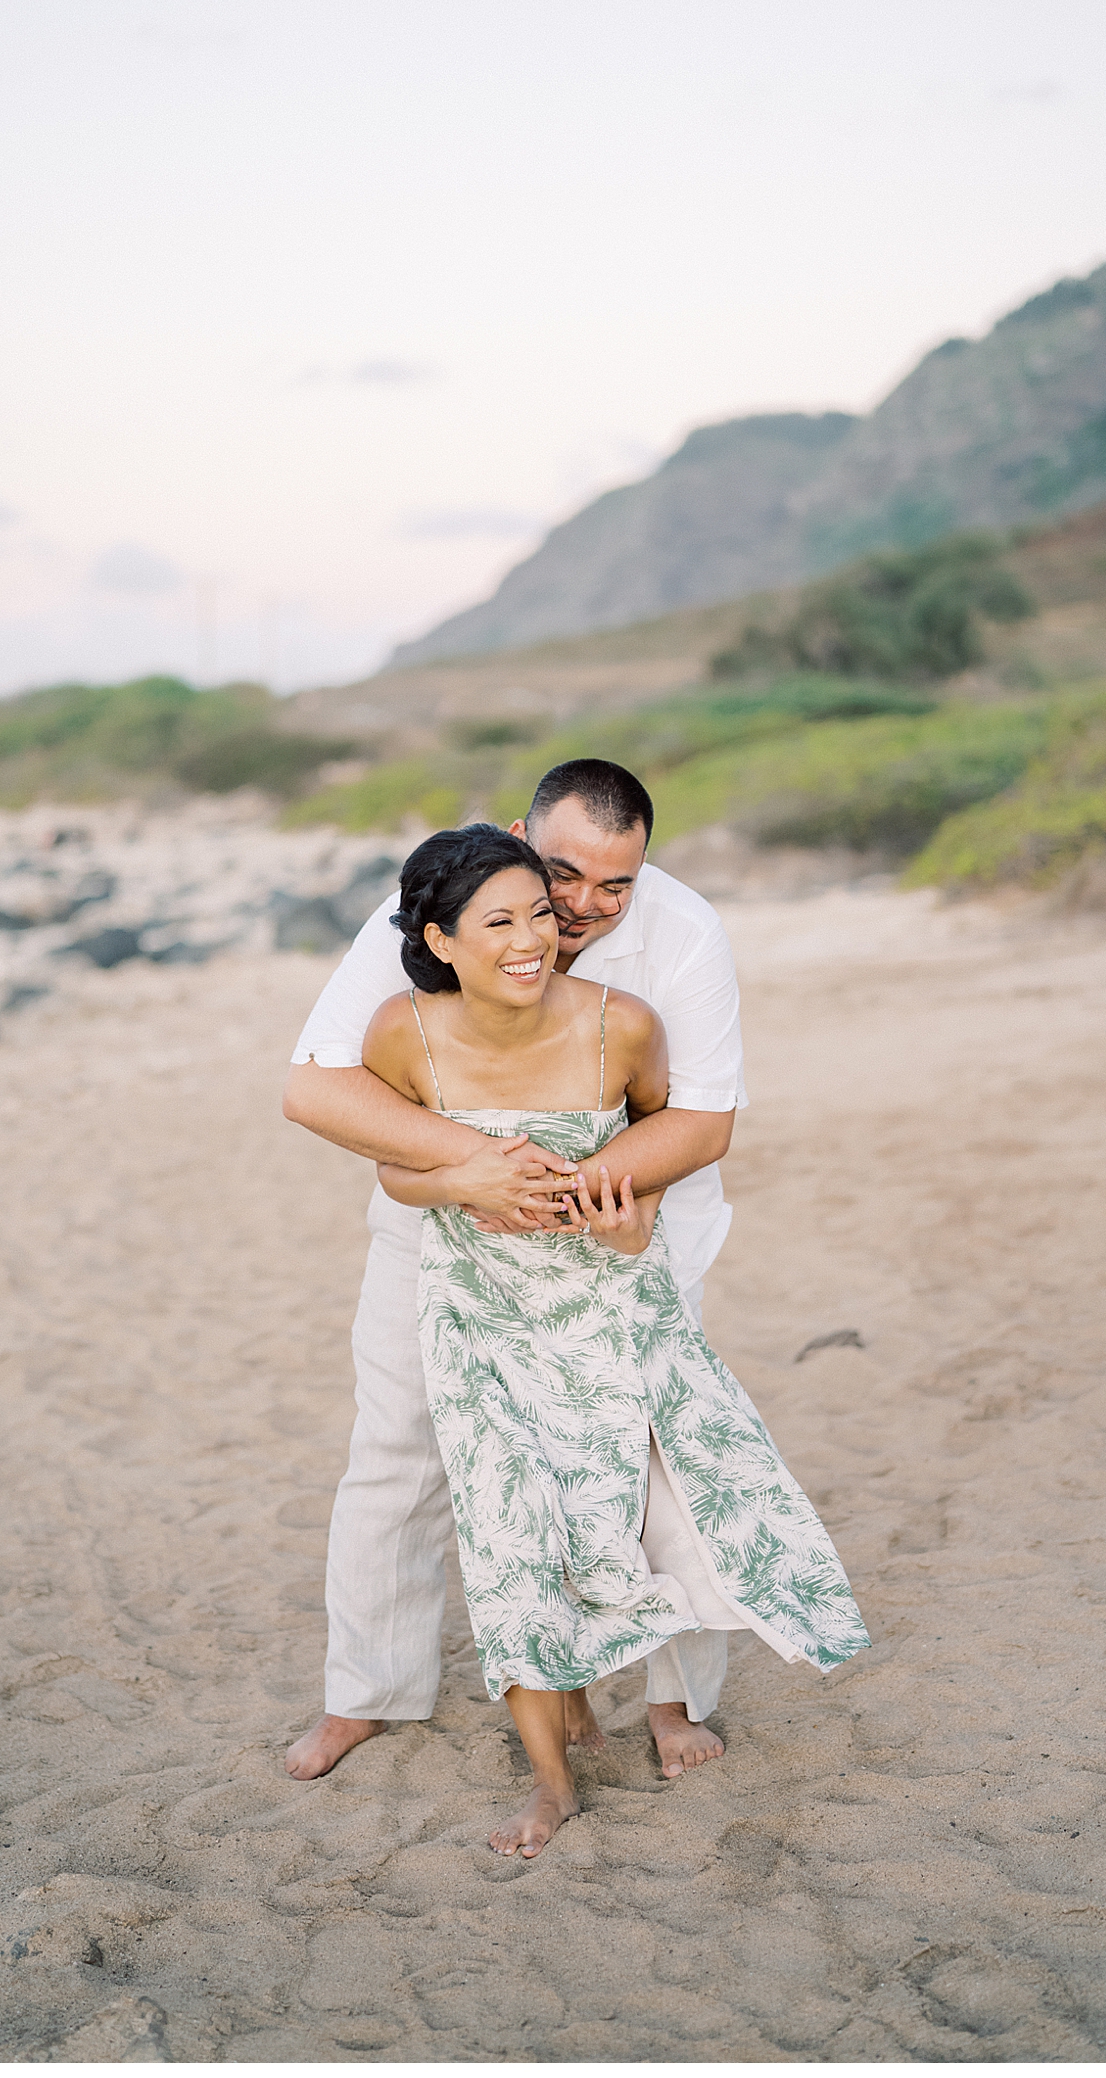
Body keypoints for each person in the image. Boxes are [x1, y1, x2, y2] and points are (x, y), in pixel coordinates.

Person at [360, 823, 869, 1856]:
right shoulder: (398, 1035)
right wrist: (455, 1177)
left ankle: (654, 1705)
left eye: (540, 916)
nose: (534, 938)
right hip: (478, 1321)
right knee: (509, 1541)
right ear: (438, 938)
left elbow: (659, 1146)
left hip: (608, 1310)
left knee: (636, 1516)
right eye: (500, 921)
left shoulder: (621, 1026)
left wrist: (629, 1211)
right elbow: (392, 1169)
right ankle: (550, 1784)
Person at [284, 760, 749, 1783]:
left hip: (629, 1226)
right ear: (516, 835)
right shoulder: (444, 908)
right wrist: (470, 1170)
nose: (579, 909)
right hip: (442, 1224)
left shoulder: (685, 934)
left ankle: (674, 1700)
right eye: (563, 874)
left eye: (614, 886)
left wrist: (564, 1192)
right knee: (398, 1452)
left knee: (650, 1458)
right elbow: (319, 1087)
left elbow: (702, 1116)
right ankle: (366, 1692)